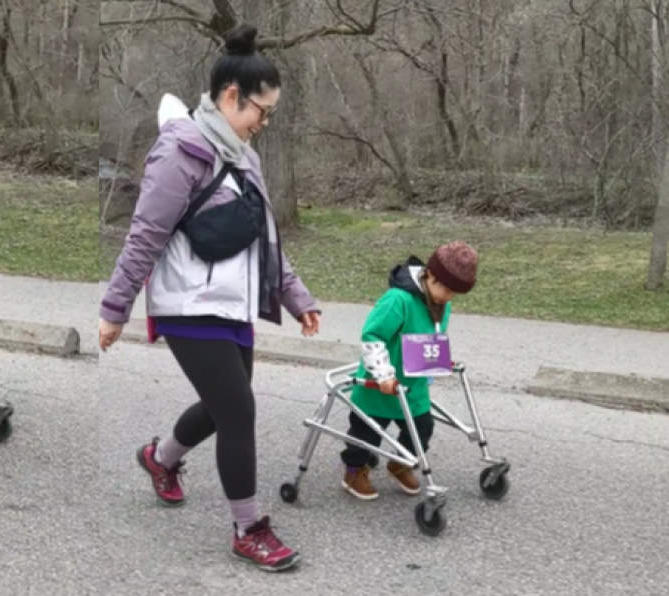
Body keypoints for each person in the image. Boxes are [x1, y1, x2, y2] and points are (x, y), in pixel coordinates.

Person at [98, 24, 321, 573]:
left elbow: (265, 235)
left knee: (226, 406)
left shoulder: (246, 158)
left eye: (269, 114)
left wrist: (297, 297)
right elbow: (146, 233)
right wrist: (114, 308)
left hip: (233, 306)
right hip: (187, 304)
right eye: (259, 112)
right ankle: (249, 527)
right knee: (239, 409)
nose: (263, 124)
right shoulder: (178, 151)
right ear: (229, 97)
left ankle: (160, 458)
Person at [340, 241, 479, 500]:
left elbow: (431, 336)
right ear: (430, 275)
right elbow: (373, 336)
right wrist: (383, 375)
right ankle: (354, 470)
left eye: (455, 294)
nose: (449, 298)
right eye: (446, 289)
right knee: (365, 433)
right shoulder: (398, 300)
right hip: (380, 384)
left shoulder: (441, 303)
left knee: (422, 428)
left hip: (413, 384)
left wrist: (438, 359)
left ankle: (400, 462)